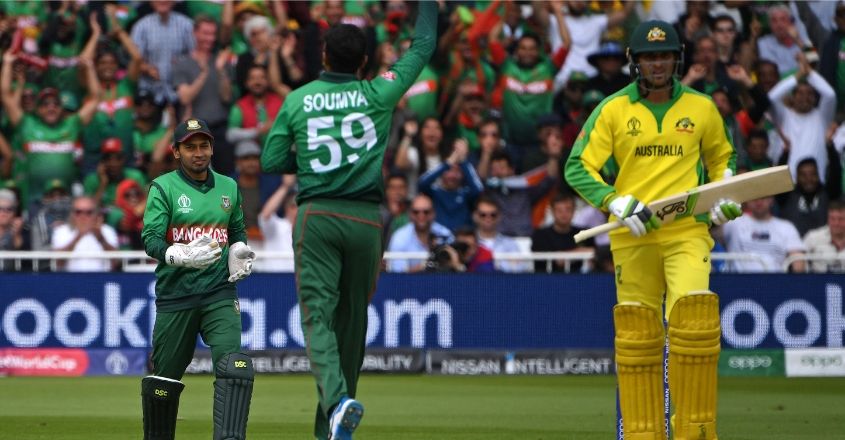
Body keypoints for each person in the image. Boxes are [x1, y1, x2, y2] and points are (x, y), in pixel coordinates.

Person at [260, 3, 437, 438]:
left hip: (318, 215)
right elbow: (425, 43)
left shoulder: (299, 99)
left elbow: (270, 159)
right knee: (352, 324)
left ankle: (338, 402)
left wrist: (307, 155)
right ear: (362, 62)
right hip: (365, 221)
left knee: (318, 318)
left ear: (323, 57)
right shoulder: (379, 91)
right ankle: (333, 427)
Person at [564, 20, 739, 440]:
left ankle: (695, 431)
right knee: (639, 335)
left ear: (676, 59)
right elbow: (576, 166)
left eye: (663, 55)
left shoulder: (701, 107)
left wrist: (723, 194)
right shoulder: (613, 109)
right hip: (633, 234)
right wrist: (613, 201)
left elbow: (722, 159)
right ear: (634, 62)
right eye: (648, 57)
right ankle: (643, 434)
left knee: (693, 320)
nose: (656, 64)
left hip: (686, 230)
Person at [140, 118, 256, 440]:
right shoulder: (163, 188)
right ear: (176, 151)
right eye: (189, 147)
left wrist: (239, 249)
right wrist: (179, 255)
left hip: (219, 290)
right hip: (176, 294)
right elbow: (150, 239)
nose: (198, 153)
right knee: (163, 381)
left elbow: (236, 230)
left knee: (235, 366)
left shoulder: (229, 187)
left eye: (203, 145)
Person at [51, 196, 119, 272]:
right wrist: (79, 235)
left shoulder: (107, 230)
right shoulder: (62, 231)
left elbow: (115, 262)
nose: (83, 216)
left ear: (96, 214)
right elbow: (59, 263)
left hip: (101, 279)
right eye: (78, 212)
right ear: (72, 214)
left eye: (89, 212)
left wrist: (100, 237)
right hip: (70, 280)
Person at [530, 192, 594, 273]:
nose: (564, 214)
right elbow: (558, 261)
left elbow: (595, 253)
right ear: (552, 211)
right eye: (559, 210)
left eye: (568, 209)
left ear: (574, 210)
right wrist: (579, 252)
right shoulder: (540, 235)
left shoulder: (584, 234)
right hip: (545, 281)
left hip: (579, 281)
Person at [803, 199, 845, 273]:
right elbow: (799, 258)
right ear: (827, 218)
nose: (836, 223)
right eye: (832, 219)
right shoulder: (813, 237)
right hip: (818, 282)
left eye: (841, 219)